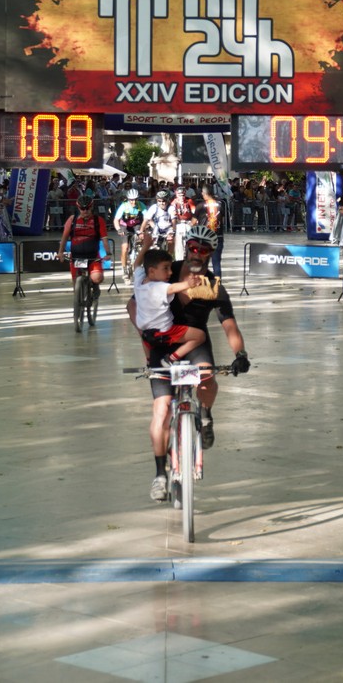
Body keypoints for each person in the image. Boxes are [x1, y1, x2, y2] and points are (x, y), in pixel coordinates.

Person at [130, 224, 249, 502]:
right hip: (161, 344)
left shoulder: (214, 287)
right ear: (187, 247)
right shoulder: (165, 270)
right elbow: (133, 304)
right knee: (161, 411)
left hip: (194, 343)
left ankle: (205, 414)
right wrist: (144, 338)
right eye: (194, 248)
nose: (197, 254)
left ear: (211, 253)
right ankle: (160, 475)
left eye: (204, 250)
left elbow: (230, 326)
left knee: (207, 376)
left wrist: (241, 355)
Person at [132, 237, 208, 366]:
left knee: (144, 339)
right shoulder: (158, 287)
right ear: (151, 271)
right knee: (200, 336)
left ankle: (149, 361)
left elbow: (136, 265)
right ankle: (171, 359)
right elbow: (173, 288)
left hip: (146, 331)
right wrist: (189, 283)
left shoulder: (139, 279)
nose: (170, 272)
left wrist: (145, 246)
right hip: (165, 331)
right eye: (166, 268)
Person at [58, 195, 107, 288]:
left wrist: (108, 253)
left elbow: (104, 239)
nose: (85, 211)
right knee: (75, 284)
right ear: (78, 208)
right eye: (82, 208)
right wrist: (60, 252)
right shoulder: (72, 220)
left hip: (93, 256)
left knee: (97, 278)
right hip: (76, 256)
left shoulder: (98, 220)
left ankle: (94, 287)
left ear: (91, 207)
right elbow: (64, 237)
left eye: (87, 208)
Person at [112, 187, 147, 282]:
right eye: (131, 200)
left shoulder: (141, 205)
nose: (133, 202)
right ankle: (124, 269)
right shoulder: (124, 206)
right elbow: (116, 220)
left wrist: (145, 229)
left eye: (135, 199)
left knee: (142, 239)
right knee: (125, 248)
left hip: (136, 226)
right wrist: (119, 229)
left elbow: (147, 218)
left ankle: (140, 261)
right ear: (128, 199)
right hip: (125, 227)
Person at [199, 184, 225, 278]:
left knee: (203, 262)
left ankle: (202, 282)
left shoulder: (201, 206)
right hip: (218, 237)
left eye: (202, 192)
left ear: (204, 193)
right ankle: (218, 283)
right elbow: (222, 220)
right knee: (216, 262)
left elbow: (194, 221)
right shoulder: (220, 204)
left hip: (205, 237)